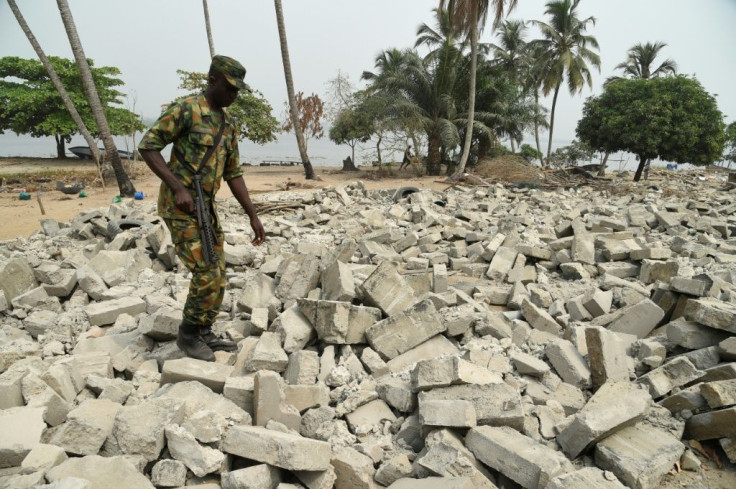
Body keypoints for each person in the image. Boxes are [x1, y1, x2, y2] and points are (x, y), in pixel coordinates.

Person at [139, 55, 265, 362]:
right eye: (230, 88)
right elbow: (148, 145)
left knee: (219, 270)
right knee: (206, 271)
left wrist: (252, 215)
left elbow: (233, 174)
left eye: (238, 90)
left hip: (205, 206)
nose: (234, 95)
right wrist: (177, 186)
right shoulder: (186, 109)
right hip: (179, 205)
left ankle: (204, 329)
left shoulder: (229, 125)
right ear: (212, 81)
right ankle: (188, 335)